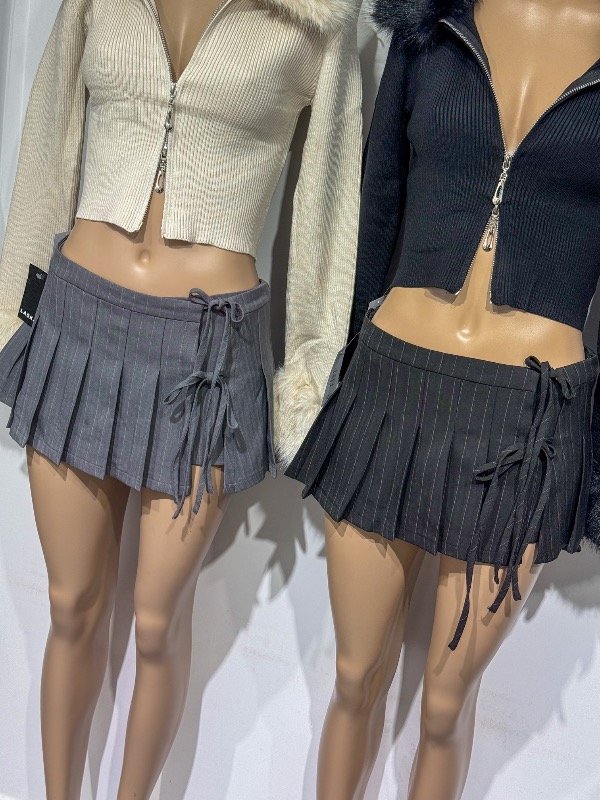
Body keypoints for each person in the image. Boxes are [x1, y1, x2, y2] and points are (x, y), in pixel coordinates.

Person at [0, 0, 362, 796]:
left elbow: (330, 206)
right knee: (70, 604)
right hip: (77, 323)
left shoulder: (314, 20)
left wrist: (306, 378)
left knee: (158, 621)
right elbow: (48, 137)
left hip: (207, 352)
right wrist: (10, 316)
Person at [286, 0, 600, 797]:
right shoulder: (431, 24)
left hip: (527, 420)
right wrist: (340, 370)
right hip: (391, 385)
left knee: (444, 706)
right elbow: (379, 199)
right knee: (353, 675)